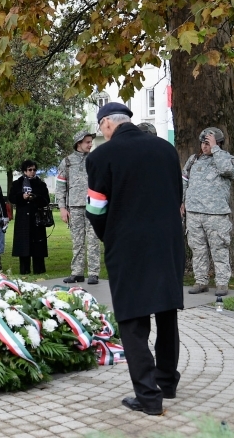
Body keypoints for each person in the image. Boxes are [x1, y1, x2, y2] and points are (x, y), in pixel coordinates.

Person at [85, 102, 184, 416]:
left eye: (101, 127)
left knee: (132, 320)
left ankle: (148, 396)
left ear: (107, 123)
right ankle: (167, 383)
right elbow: (177, 196)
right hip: (167, 243)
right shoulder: (166, 150)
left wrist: (110, 235)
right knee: (166, 312)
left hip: (128, 247)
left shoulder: (101, 156)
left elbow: (95, 209)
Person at [182, 127, 234, 296]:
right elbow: (184, 181)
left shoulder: (227, 159)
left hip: (216, 214)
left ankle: (222, 283)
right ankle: (201, 281)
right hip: (194, 213)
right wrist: (182, 201)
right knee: (197, 250)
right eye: (203, 143)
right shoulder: (194, 160)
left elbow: (227, 170)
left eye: (208, 143)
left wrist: (215, 149)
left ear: (218, 143)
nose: (204, 146)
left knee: (219, 249)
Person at [56, 130, 101, 284]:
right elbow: (60, 186)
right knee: (77, 241)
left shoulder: (95, 160)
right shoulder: (67, 162)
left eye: (90, 141)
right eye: (87, 142)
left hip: (92, 206)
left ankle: (93, 273)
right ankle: (77, 272)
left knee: (93, 239)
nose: (90, 144)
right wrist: (62, 208)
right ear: (78, 143)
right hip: (74, 207)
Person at [8, 160, 49, 274]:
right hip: (23, 218)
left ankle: (39, 269)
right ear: (24, 171)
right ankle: (24, 269)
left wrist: (35, 197)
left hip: (37, 218)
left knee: (38, 244)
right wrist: (22, 197)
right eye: (30, 170)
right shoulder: (17, 183)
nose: (32, 172)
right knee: (24, 244)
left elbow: (46, 200)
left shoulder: (40, 184)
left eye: (34, 170)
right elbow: (12, 198)